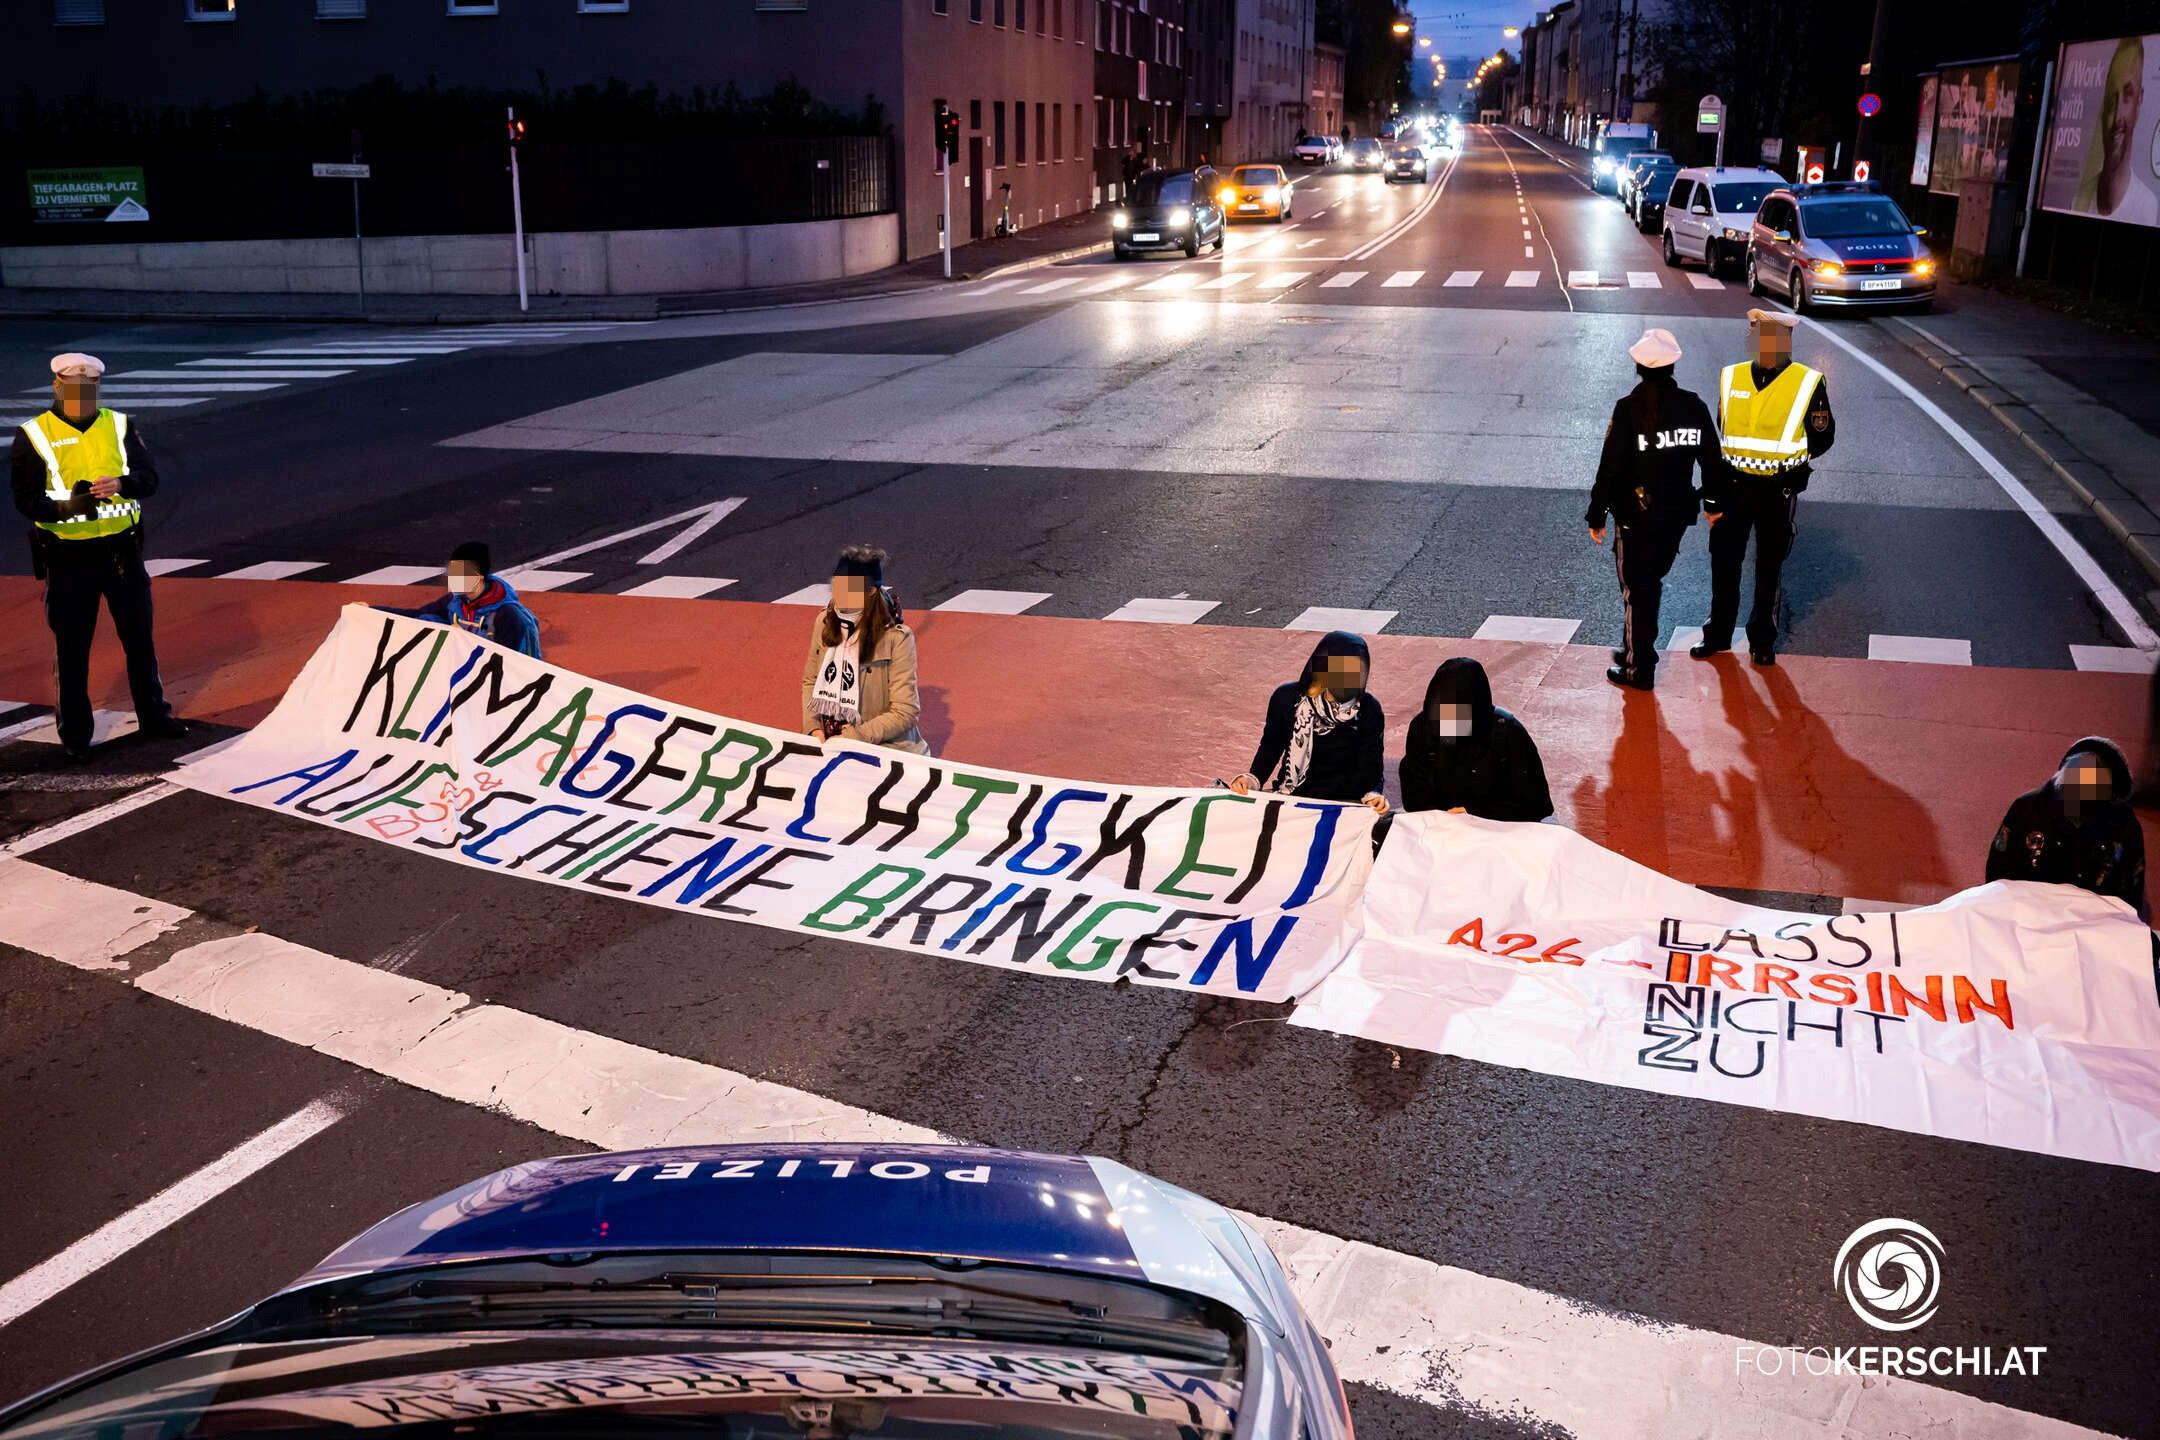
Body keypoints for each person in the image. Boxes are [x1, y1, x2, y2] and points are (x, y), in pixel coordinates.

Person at [10, 352, 187, 761]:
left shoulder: (119, 425)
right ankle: (75, 735)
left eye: (88, 388)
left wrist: (122, 484)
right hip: (68, 558)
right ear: (57, 386)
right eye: (73, 388)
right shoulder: (34, 435)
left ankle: (154, 717)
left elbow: (149, 479)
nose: (81, 395)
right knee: (72, 648)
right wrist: (67, 508)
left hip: (122, 552)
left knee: (139, 639)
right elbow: (26, 500)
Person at [1692, 308, 1835, 666]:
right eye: (1754, 335)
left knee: (1769, 566)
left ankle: (1762, 640)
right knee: (1724, 562)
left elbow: (1822, 437)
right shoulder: (1731, 375)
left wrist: (1791, 465)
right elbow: (1725, 424)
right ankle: (1718, 635)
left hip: (1777, 489)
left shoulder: (1807, 382)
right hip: (1733, 485)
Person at [1587, 327, 1723, 691]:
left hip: (1635, 517)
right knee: (1649, 584)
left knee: (1638, 589)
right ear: (1673, 365)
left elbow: (1610, 468)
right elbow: (1712, 462)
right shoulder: (1693, 406)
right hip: (1675, 516)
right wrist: (1712, 504)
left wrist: (1597, 514)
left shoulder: (1628, 410)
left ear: (1638, 366)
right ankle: (1636, 648)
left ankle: (1638, 667)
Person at [1987, 737, 2149, 921]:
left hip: (2090, 920)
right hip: (2027, 912)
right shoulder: (2026, 808)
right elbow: (1998, 869)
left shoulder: (2123, 824)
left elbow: (2130, 894)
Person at [1227, 631, 1388, 816]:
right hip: (1294, 796)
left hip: (1344, 804)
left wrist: (1373, 795)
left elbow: (1372, 764)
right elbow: (1270, 747)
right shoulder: (1286, 698)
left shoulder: (1369, 709)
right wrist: (1251, 779)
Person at [801, 544, 929, 755]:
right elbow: (811, 681)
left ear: (870, 591)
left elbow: (905, 711)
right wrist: (813, 728)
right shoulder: (825, 621)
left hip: (882, 746)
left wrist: (854, 737)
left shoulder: (896, 637)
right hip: (830, 740)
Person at [1399, 657, 1552, 821]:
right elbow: (1413, 798)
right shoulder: (1423, 727)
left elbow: (1537, 805)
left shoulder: (1507, 733)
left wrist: (1474, 814)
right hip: (1440, 825)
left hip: (1496, 826)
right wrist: (1444, 817)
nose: (1448, 723)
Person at [389, 541, 542, 658]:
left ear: (479, 576)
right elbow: (416, 616)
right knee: (428, 620)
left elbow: (515, 663)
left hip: (494, 675)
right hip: (468, 669)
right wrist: (376, 611)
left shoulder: (508, 615)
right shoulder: (454, 602)